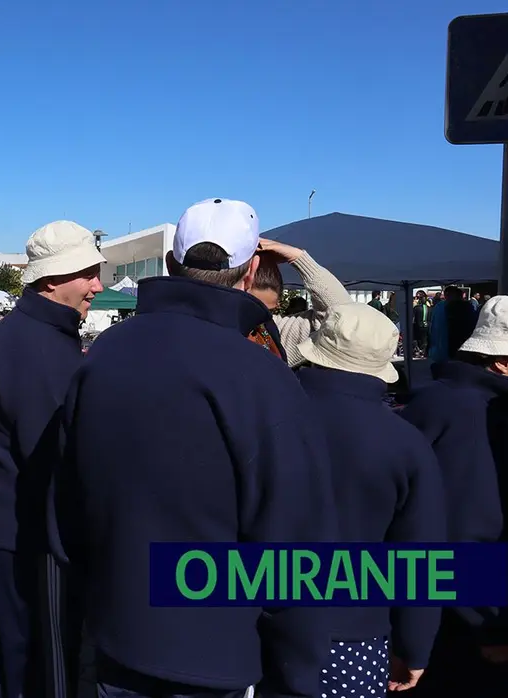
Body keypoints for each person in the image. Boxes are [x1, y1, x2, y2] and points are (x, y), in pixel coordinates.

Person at [54, 198, 338, 697]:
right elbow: (296, 545)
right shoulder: (260, 375)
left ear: (169, 265)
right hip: (216, 650)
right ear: (251, 271)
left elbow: (67, 497)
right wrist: (301, 668)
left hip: (120, 634)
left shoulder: (104, 353)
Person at [0, 220, 105, 698]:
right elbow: (54, 462)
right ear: (52, 279)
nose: (97, 285)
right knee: (41, 671)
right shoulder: (40, 346)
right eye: (87, 273)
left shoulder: (33, 333)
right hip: (33, 537)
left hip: (6, 524)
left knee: (3, 665)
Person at [293, 304, 445, 695]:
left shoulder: (263, 416)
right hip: (353, 635)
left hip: (251, 620)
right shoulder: (404, 442)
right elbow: (421, 558)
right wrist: (415, 648)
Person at [401, 295, 508, 696]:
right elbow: (475, 524)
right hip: (477, 612)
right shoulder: (487, 413)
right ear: (500, 361)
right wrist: (494, 626)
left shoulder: (431, 400)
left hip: (421, 596)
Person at [248, 238, 354, 364]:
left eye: (269, 311)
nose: (260, 317)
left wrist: (298, 258)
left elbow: (341, 316)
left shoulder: (272, 332)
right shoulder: (221, 336)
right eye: (251, 308)